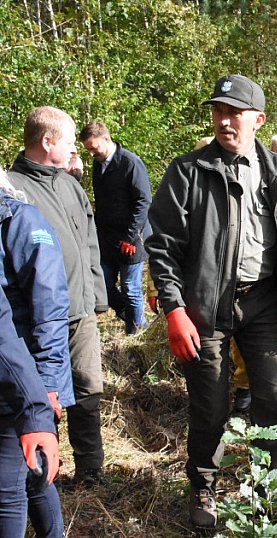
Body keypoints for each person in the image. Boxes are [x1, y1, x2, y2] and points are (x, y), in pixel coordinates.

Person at [146, 74, 277, 530]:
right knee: (209, 403)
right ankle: (204, 486)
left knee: (272, 397)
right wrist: (173, 309)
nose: (224, 121)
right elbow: (163, 246)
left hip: (265, 301)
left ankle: (271, 488)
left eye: (234, 113)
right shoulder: (188, 171)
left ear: (258, 120)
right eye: (218, 112)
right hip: (206, 304)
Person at [9, 106, 108, 486]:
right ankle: (38, 471)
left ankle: (91, 467)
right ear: (47, 142)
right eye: (68, 142)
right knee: (38, 395)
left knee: (88, 388)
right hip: (34, 316)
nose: (73, 150)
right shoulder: (14, 189)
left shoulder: (70, 184)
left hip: (80, 311)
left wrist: (97, 295)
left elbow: (88, 241)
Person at [0, 169, 71, 537]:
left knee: (11, 483)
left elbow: (50, 308)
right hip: (11, 373)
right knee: (28, 473)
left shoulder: (21, 220)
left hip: (23, 376)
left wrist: (45, 384)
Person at [0, 279, 61, 538]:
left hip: (17, 381)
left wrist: (43, 391)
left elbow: (50, 306)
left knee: (16, 485)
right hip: (19, 382)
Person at [79, 122, 152, 335]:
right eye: (88, 150)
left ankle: (136, 333)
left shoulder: (131, 163)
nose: (92, 153)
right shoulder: (98, 164)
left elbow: (143, 201)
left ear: (106, 139)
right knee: (103, 286)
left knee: (131, 290)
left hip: (132, 238)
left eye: (94, 148)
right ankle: (132, 318)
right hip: (107, 239)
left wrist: (130, 238)